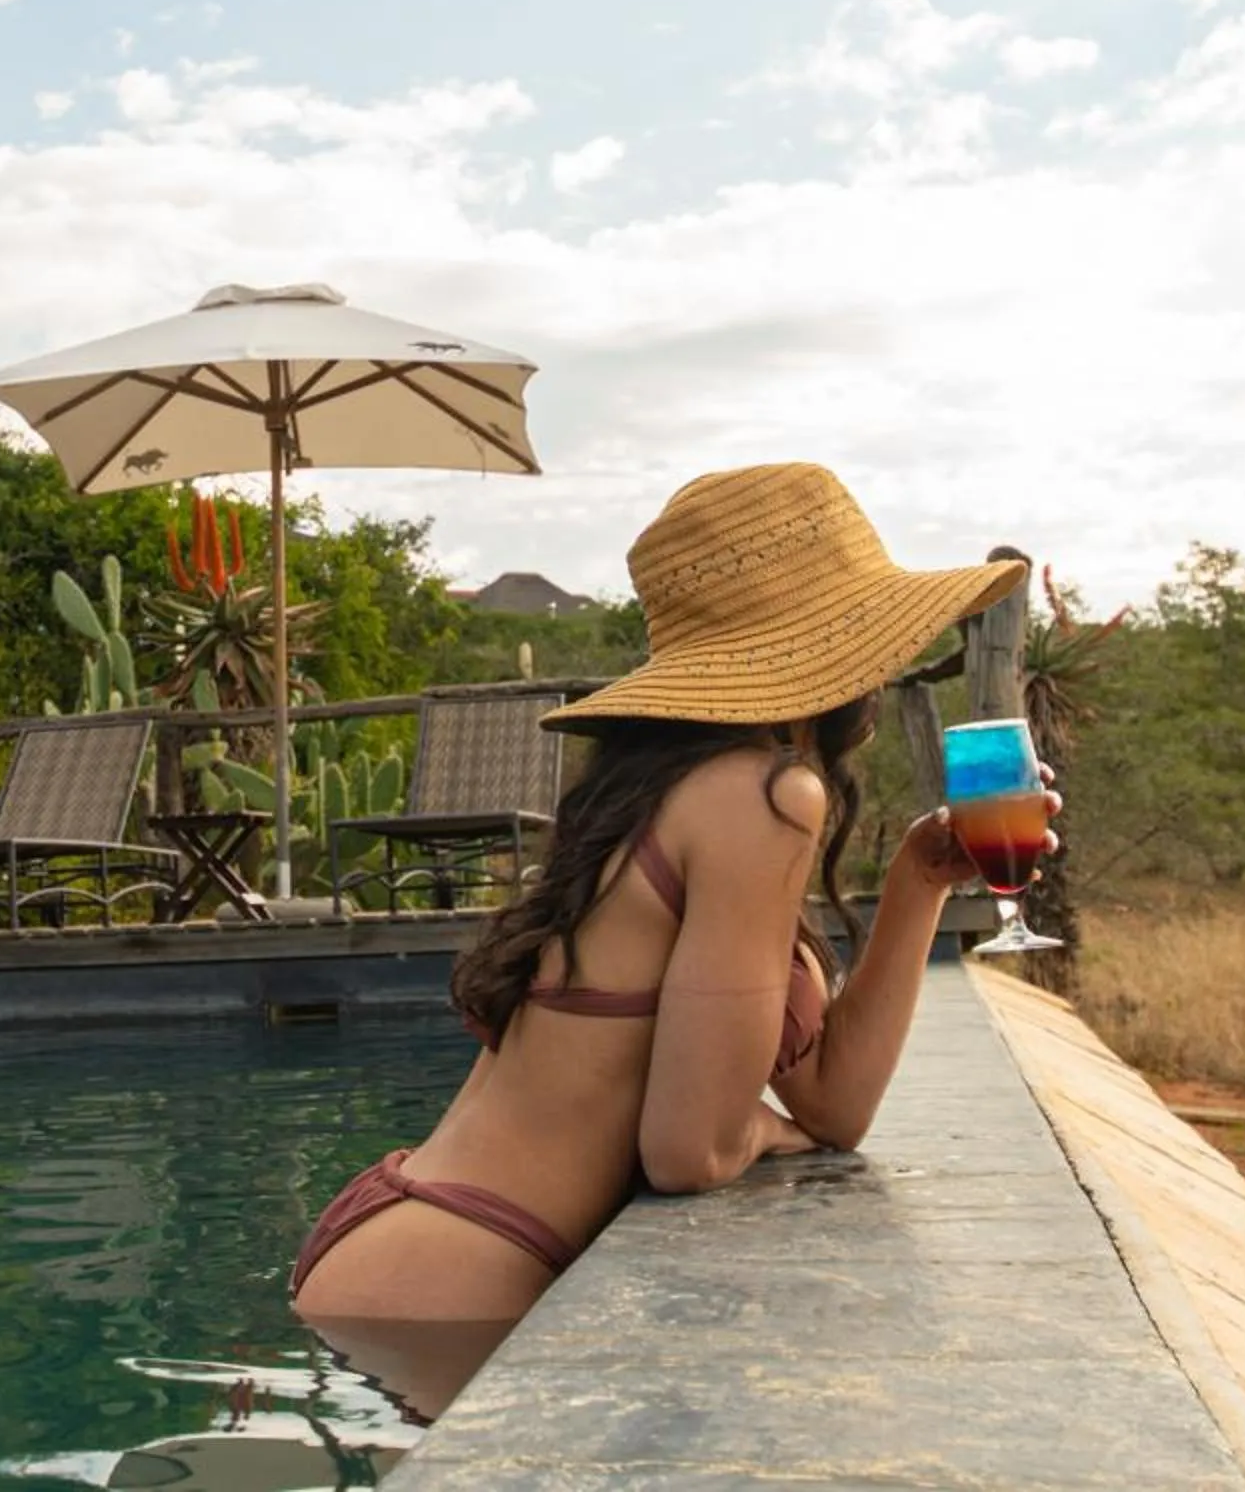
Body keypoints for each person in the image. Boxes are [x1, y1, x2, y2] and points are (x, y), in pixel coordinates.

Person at [289, 463, 1059, 1419]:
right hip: (454, 1282)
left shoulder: (673, 791)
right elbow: (689, 1152)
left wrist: (919, 884)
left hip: (418, 1242)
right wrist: (758, 1128)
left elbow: (834, 1105)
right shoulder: (765, 794)